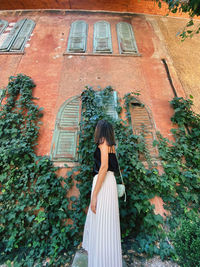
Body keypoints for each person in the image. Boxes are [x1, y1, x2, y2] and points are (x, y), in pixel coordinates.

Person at [82, 119, 123, 267]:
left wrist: (94, 196)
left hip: (103, 184)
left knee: (100, 221)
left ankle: (101, 262)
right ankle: (109, 261)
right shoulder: (112, 146)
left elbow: (104, 166)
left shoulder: (103, 142)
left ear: (100, 130)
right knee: (108, 223)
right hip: (109, 183)